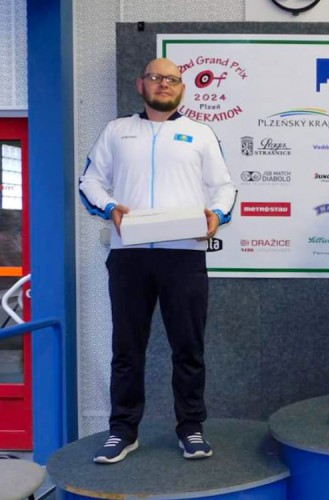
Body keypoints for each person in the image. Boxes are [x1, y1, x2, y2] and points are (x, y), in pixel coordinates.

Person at [79, 58, 236, 464]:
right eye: (155, 77)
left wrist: (217, 214)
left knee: (189, 348)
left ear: (181, 88)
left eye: (171, 79)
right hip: (129, 256)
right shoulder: (117, 131)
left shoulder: (200, 133)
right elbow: (89, 181)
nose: (163, 84)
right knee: (126, 348)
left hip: (184, 256)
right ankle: (122, 430)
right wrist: (109, 206)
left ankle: (191, 428)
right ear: (141, 84)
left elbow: (223, 187)